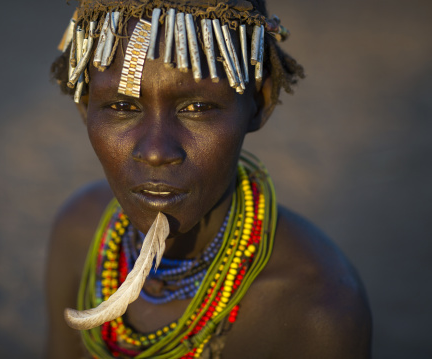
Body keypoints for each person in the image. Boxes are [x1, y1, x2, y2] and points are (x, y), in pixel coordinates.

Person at [45, 1, 372, 358]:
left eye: (196, 108)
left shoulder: (315, 309)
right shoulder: (79, 232)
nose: (156, 151)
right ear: (85, 104)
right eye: (122, 106)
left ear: (259, 103)